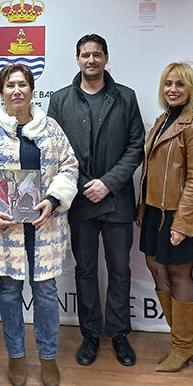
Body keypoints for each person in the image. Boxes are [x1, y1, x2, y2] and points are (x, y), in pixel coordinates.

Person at [0, 64, 78, 386]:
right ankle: (16, 356)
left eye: (22, 84)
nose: (17, 90)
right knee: (10, 292)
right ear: (1, 92)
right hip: (6, 228)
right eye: (10, 85)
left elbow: (69, 167)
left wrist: (54, 199)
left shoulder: (51, 129)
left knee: (45, 292)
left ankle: (48, 357)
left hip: (45, 225)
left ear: (32, 90)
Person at [47, 34, 144, 367]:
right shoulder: (60, 100)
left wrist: (109, 183)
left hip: (116, 199)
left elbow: (136, 147)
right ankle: (90, 334)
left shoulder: (126, 97)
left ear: (106, 58)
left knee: (119, 269)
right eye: (85, 55)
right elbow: (54, 152)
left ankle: (118, 334)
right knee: (85, 270)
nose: (91, 60)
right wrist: (87, 183)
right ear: (77, 59)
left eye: (97, 55)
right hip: (79, 201)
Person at [137, 62, 193, 372]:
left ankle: (182, 347)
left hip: (181, 212)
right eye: (168, 83)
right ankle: (182, 340)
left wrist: (182, 223)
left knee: (180, 275)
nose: (173, 89)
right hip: (155, 210)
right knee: (155, 266)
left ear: (190, 89)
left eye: (180, 84)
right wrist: (143, 208)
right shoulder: (161, 121)